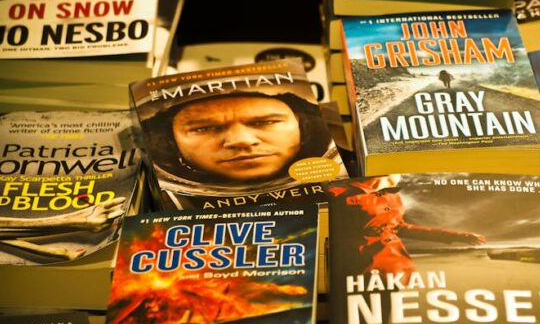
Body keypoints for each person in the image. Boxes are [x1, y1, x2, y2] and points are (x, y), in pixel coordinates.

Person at [142, 91, 342, 199]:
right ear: (169, 142)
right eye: (205, 128)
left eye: (266, 122)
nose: (242, 140)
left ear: (304, 127)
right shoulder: (154, 195)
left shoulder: (343, 179)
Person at [327, 175, 486, 282]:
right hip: (358, 264)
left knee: (385, 315)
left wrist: (457, 236)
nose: (400, 176)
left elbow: (401, 227)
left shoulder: (392, 195)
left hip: (393, 264)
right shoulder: (338, 194)